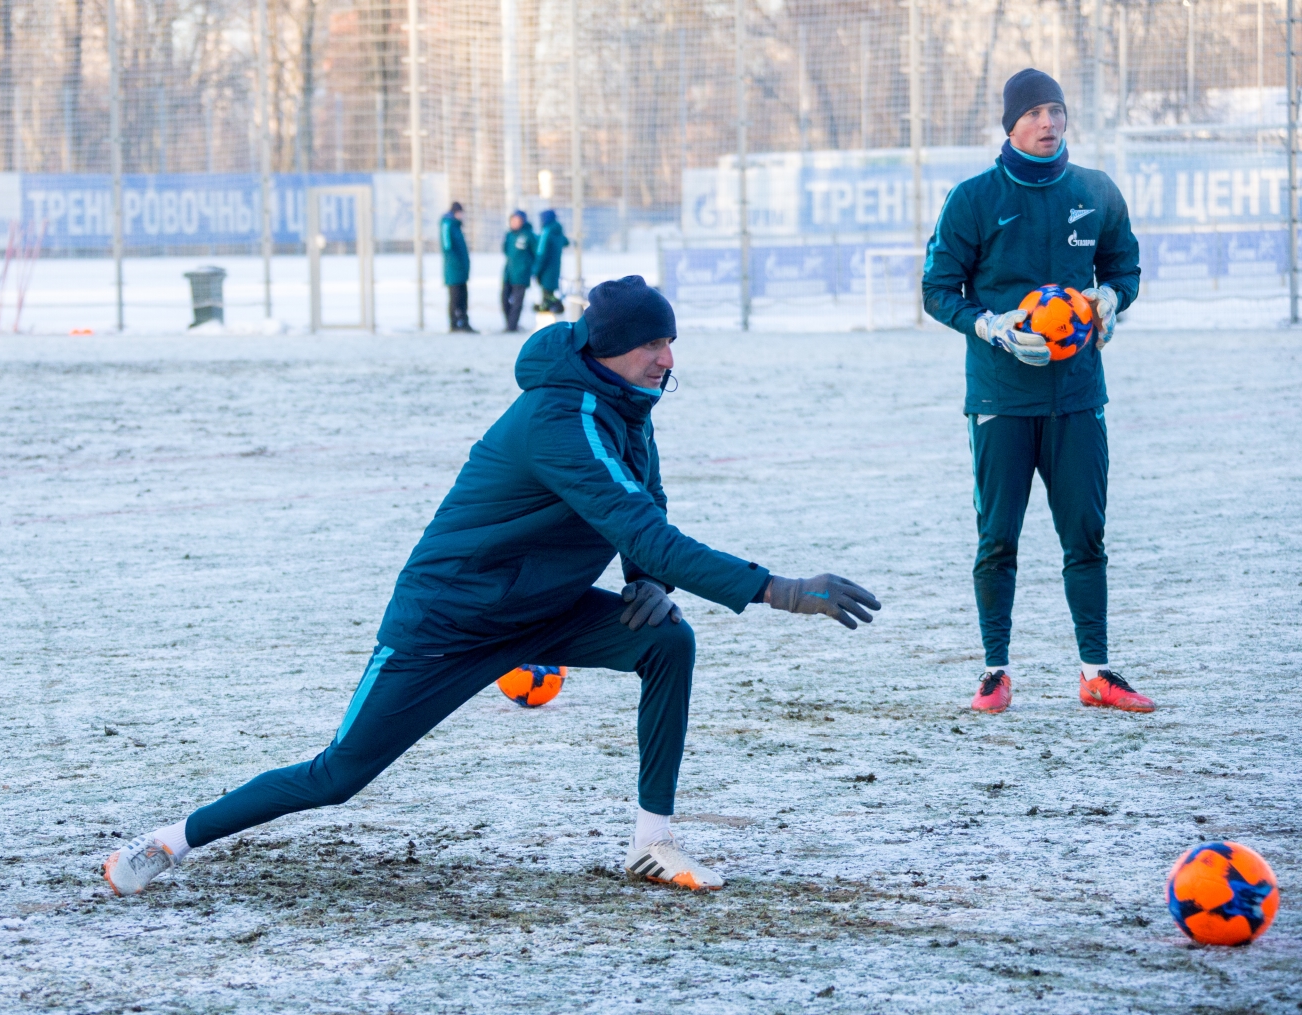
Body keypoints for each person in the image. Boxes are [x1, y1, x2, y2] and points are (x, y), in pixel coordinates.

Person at [104, 276, 881, 897]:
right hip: (451, 619)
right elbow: (638, 522)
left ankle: (653, 844)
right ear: (610, 349)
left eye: (671, 340)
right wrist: (776, 589)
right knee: (337, 775)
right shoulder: (561, 416)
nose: (668, 357)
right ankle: (168, 840)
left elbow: (646, 511)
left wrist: (645, 584)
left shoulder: (629, 404)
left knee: (667, 638)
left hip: (544, 608)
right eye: (652, 342)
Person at [922, 68, 1151, 716]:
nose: (1048, 123)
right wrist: (991, 327)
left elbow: (1125, 268)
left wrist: (1109, 298)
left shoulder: (1096, 191)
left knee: (1087, 535)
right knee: (998, 536)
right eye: (1034, 113)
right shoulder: (973, 198)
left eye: (1056, 110)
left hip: (1079, 394)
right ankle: (996, 672)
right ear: (1011, 123)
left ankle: (1096, 672)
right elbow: (938, 289)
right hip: (1001, 396)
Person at [441, 202, 476, 333]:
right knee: (455, 298)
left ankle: (464, 322)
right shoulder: (447, 225)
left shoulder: (456, 226)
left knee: (463, 297)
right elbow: (447, 247)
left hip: (461, 270)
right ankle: (454, 324)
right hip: (453, 270)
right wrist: (455, 263)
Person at [501, 210, 536, 332]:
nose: (515, 223)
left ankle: (512, 326)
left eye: (517, 220)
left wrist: (529, 267)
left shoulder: (528, 235)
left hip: (521, 274)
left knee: (517, 302)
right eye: (513, 220)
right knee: (504, 299)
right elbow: (506, 251)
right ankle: (509, 323)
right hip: (508, 274)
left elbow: (536, 252)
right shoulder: (509, 235)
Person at [533, 209, 569, 314]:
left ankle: (552, 305)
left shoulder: (546, 232)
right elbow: (566, 242)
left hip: (546, 268)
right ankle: (550, 304)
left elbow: (541, 252)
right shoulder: (558, 231)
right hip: (555, 267)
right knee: (550, 289)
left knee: (546, 290)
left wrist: (536, 270)